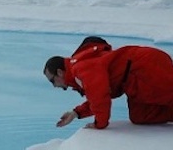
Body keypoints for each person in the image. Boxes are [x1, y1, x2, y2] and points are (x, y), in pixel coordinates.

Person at [43, 36, 173, 129]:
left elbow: (100, 98)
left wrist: (99, 124)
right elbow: (95, 96)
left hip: (146, 67)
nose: (54, 86)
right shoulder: (80, 69)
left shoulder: (80, 68)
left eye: (52, 81)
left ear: (60, 72)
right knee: (140, 116)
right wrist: (76, 113)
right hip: (137, 76)